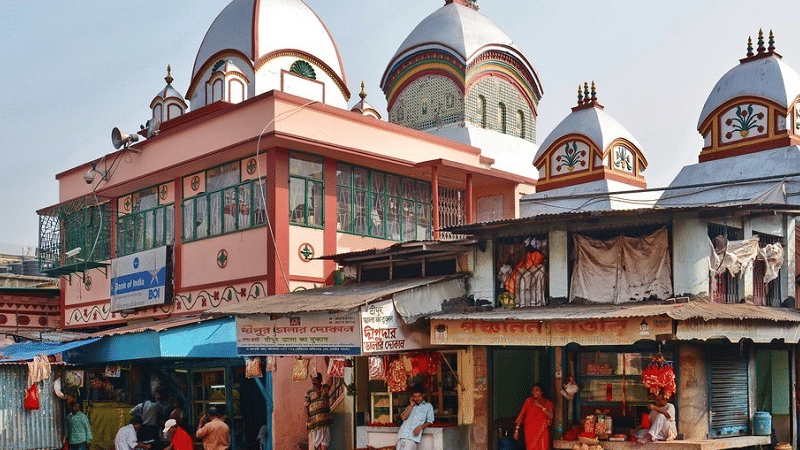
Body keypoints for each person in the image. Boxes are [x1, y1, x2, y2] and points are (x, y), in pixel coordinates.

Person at [513, 383, 554, 450]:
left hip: (542, 432)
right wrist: (516, 430)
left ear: (542, 392)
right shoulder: (529, 401)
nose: (534, 392)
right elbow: (522, 415)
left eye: (537, 390)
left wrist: (541, 406)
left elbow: (551, 416)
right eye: (533, 390)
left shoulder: (548, 403)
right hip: (530, 432)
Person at [396, 385, 434, 450]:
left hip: (413, 438)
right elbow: (403, 418)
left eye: (419, 396)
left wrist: (420, 427)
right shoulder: (410, 407)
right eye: (415, 397)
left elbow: (430, 421)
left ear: (423, 395)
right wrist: (411, 405)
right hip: (403, 436)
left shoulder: (428, 406)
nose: (417, 398)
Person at [305, 372, 333, 450]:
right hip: (314, 423)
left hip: (324, 421)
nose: (313, 381)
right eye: (312, 380)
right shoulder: (309, 393)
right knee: (318, 445)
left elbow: (331, 379)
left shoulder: (325, 388)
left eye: (315, 379)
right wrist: (307, 416)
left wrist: (329, 363)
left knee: (324, 445)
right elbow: (306, 406)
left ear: (320, 380)